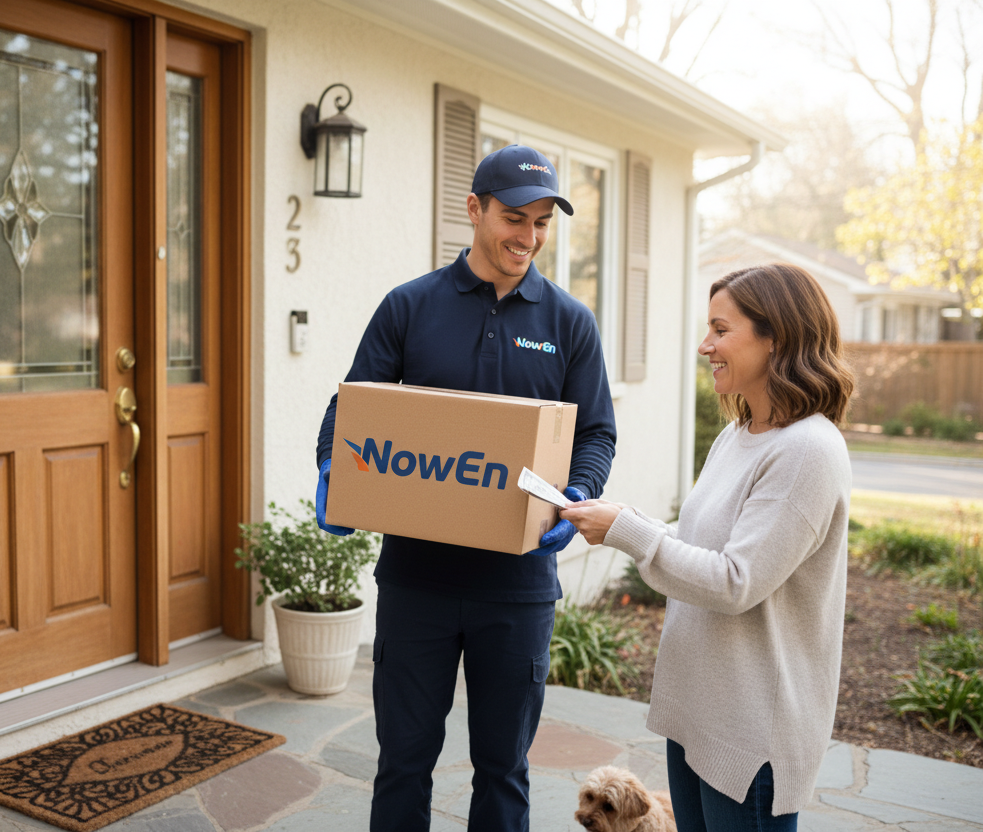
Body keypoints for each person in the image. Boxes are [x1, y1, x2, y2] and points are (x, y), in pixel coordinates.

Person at [314, 144, 617, 832]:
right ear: (474, 208)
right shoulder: (411, 306)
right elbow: (352, 405)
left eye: (542, 222)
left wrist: (576, 495)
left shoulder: (569, 323)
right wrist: (334, 470)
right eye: (516, 217)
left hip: (517, 586)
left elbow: (596, 431)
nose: (529, 237)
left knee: (503, 768)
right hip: (417, 581)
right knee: (403, 761)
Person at [562, 263, 855, 831]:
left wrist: (626, 528)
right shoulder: (739, 434)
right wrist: (618, 521)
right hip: (699, 715)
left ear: (777, 338)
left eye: (721, 330)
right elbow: (697, 542)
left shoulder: (807, 451)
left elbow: (733, 581)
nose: (705, 345)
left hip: (750, 737)